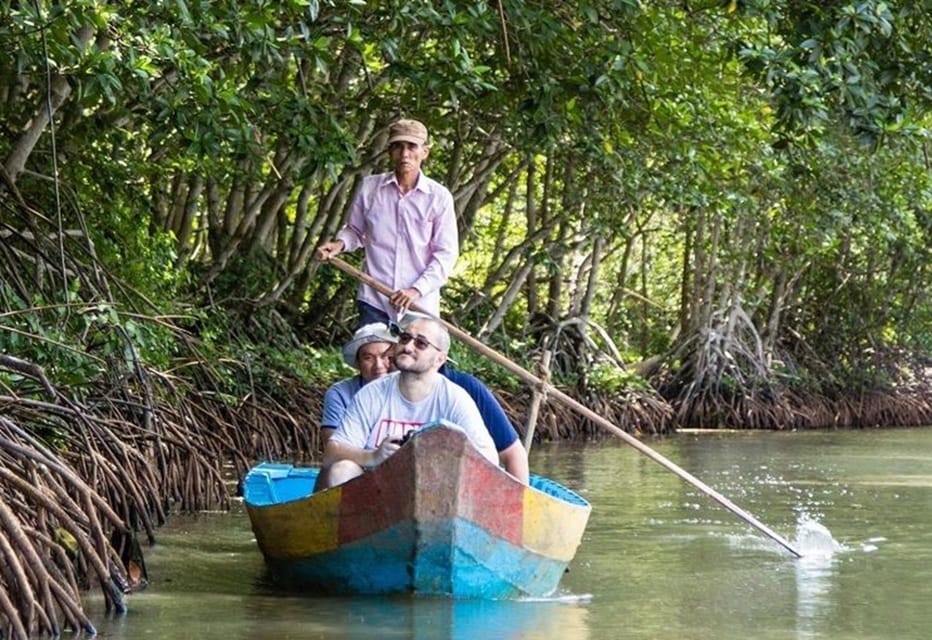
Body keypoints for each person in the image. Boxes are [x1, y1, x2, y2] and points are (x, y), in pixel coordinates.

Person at [319, 321, 530, 484]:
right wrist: (374, 456)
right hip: (379, 494)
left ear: (440, 359)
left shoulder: (456, 397)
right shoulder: (371, 393)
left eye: (421, 343)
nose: (408, 346)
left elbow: (489, 462)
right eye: (404, 338)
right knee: (341, 470)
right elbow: (331, 453)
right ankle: (354, 537)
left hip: (439, 489)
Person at [316, 118, 458, 327]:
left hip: (419, 304)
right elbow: (355, 231)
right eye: (398, 146)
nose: (405, 154)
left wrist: (416, 290)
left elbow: (446, 254)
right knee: (374, 359)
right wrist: (338, 245)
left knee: (412, 358)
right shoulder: (370, 188)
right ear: (390, 151)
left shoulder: (438, 197)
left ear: (425, 152)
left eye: (412, 146)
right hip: (374, 298)